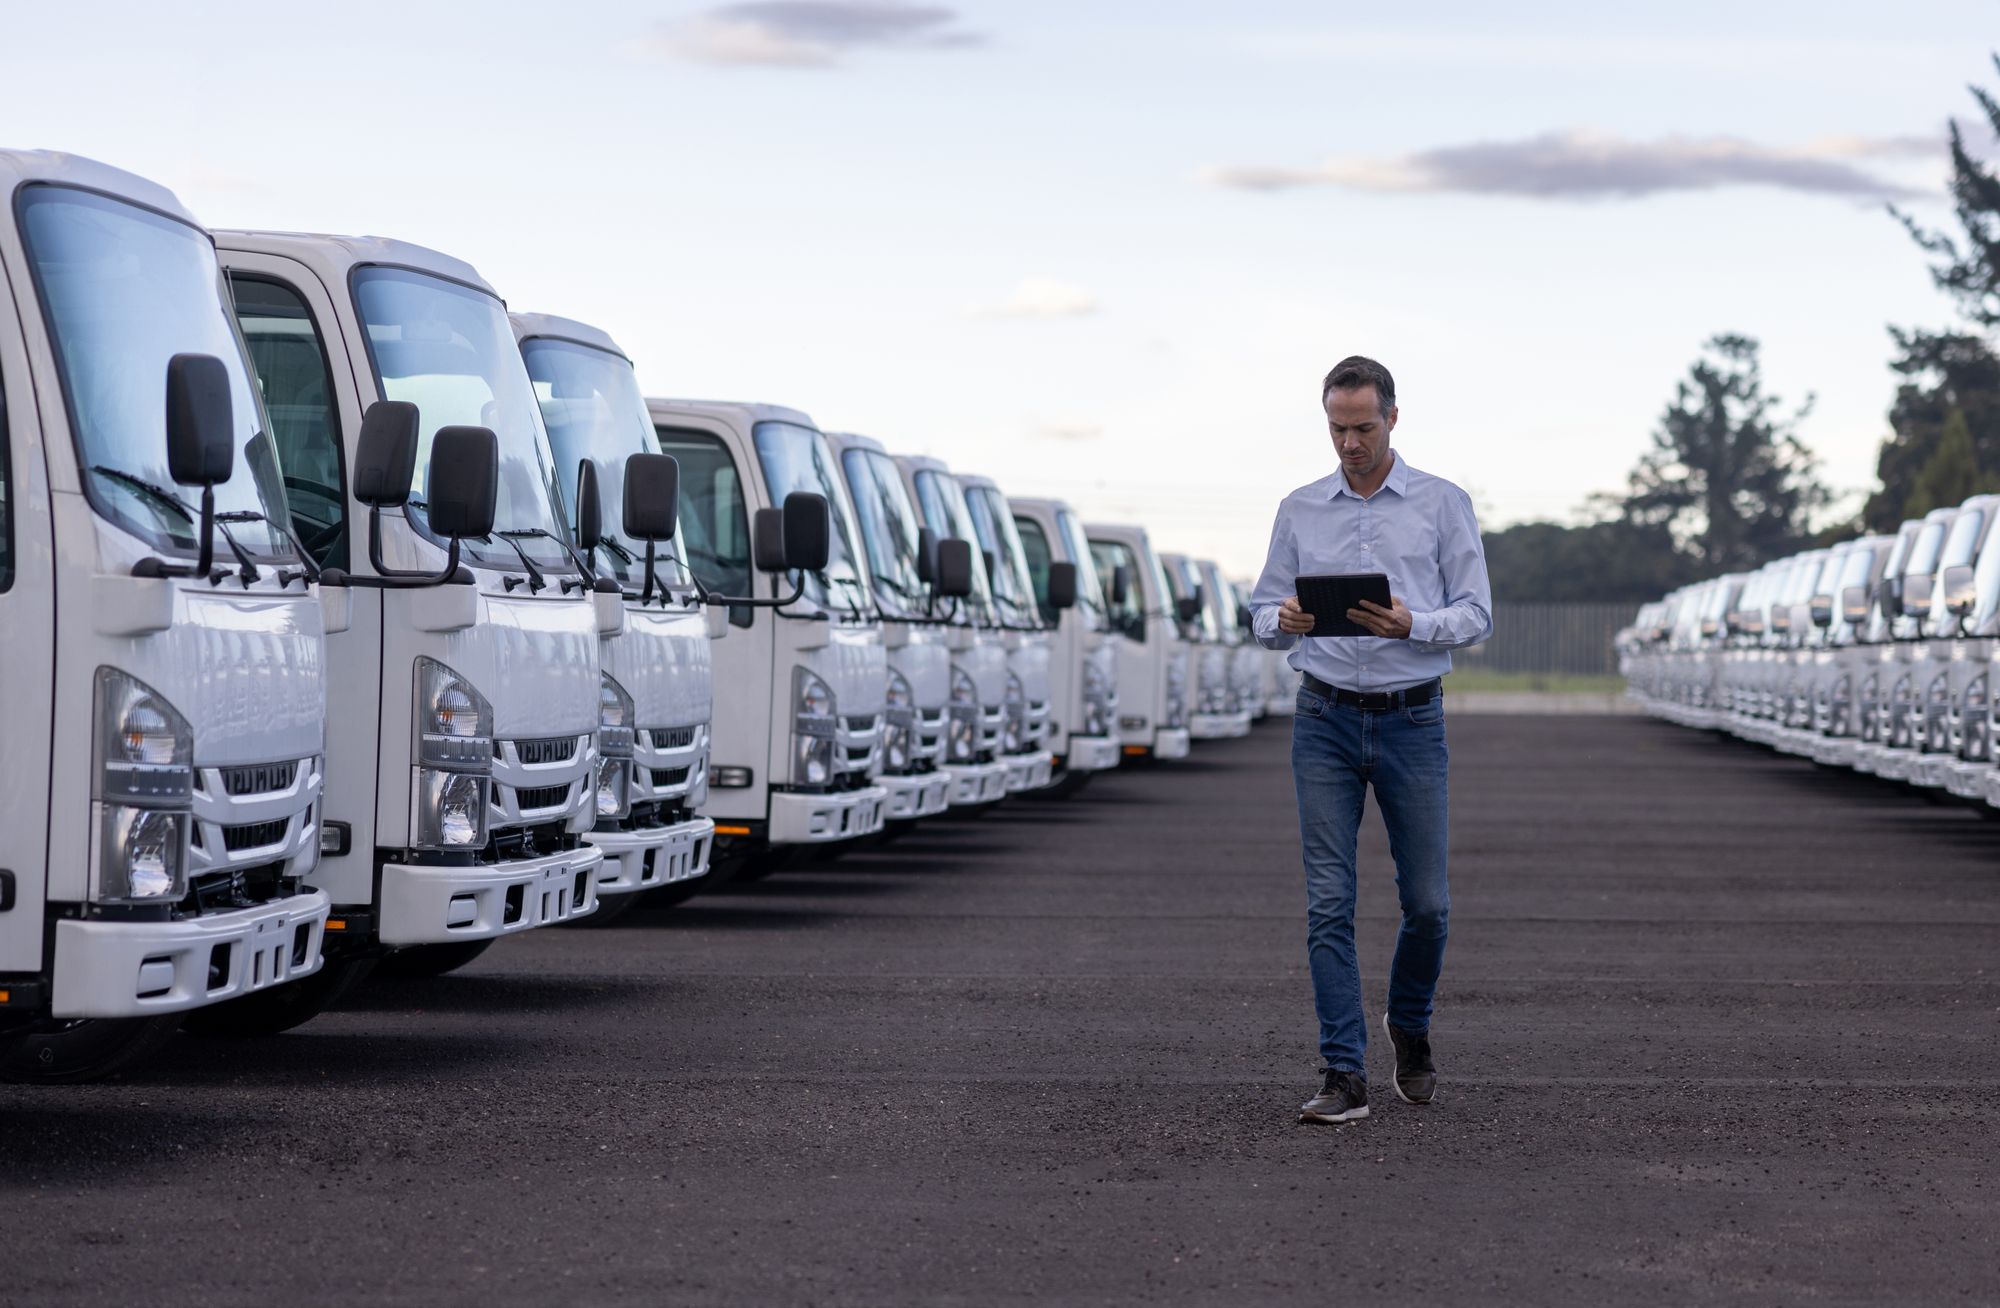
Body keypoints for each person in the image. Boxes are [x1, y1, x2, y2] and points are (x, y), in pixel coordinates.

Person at [1249, 355, 1492, 1124]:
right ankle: (1342, 1074)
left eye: (1361, 427)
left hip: (1413, 718)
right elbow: (1259, 610)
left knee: (1427, 904)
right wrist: (1279, 621)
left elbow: (1477, 615)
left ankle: (1409, 1024)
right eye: (1336, 428)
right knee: (1329, 902)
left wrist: (1411, 624)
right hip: (1322, 717)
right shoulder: (1299, 508)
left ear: (1392, 419)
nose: (1348, 443)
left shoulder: (1443, 504)